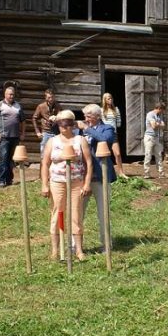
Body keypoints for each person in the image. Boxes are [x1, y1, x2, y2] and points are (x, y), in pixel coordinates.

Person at [41, 110, 92, 262]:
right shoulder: (52, 141)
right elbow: (45, 163)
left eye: (68, 124)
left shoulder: (80, 140)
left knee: (76, 215)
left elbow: (88, 163)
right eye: (62, 124)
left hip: (76, 182)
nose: (65, 127)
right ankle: (56, 250)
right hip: (57, 182)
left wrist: (87, 183)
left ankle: (79, 250)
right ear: (58, 125)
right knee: (57, 213)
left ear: (73, 125)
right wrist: (44, 184)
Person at [80, 103, 126, 253]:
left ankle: (106, 244)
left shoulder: (107, 128)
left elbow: (104, 140)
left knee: (103, 212)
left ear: (97, 116)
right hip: (83, 177)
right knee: (78, 211)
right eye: (85, 116)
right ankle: (76, 244)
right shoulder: (79, 131)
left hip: (101, 176)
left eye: (89, 116)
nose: (86, 119)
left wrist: (87, 130)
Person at [0, 85, 26, 188]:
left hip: (15, 137)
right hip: (4, 137)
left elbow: (23, 121)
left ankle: (9, 179)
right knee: (3, 159)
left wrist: (23, 133)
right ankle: (1, 180)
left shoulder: (18, 106)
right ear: (5, 94)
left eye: (13, 94)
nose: (11, 96)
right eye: (10, 94)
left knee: (11, 159)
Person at [33, 89, 60, 155]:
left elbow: (61, 117)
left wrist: (57, 118)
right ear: (45, 98)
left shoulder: (58, 106)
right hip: (46, 133)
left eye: (52, 97)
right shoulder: (41, 106)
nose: (51, 99)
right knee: (44, 154)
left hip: (56, 133)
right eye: (49, 97)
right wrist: (37, 131)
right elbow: (34, 118)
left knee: (55, 153)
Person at [143, 102, 166, 178]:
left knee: (159, 155)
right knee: (148, 155)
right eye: (162, 110)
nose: (162, 112)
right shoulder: (150, 114)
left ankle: (161, 173)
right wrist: (158, 124)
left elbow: (163, 125)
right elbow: (153, 126)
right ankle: (147, 173)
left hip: (156, 137)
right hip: (149, 137)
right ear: (159, 108)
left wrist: (157, 124)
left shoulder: (159, 116)